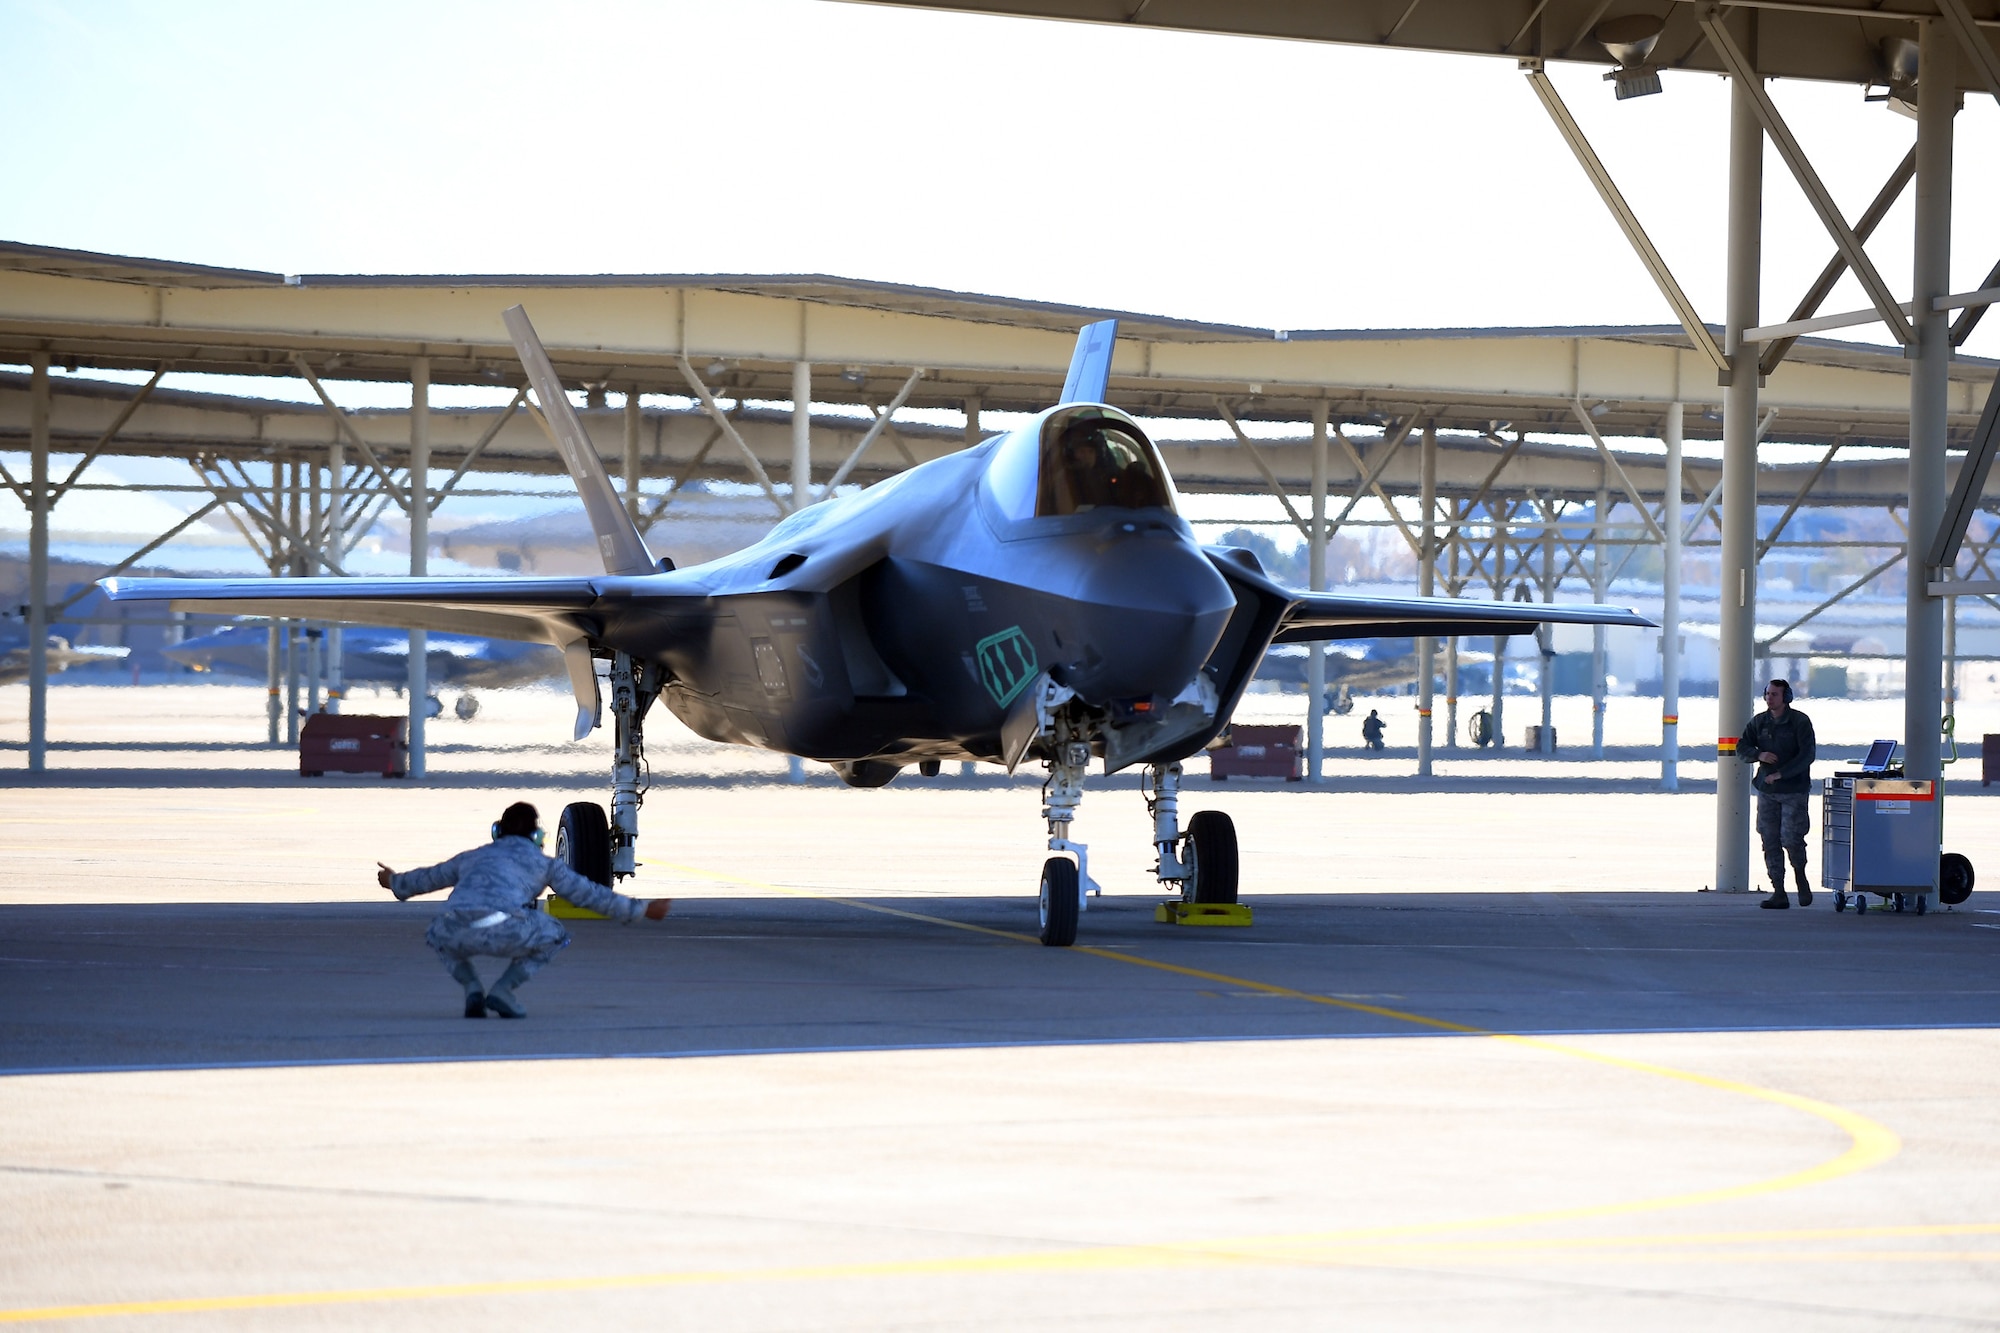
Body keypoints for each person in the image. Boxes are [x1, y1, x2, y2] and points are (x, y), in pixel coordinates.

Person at [375, 801, 670, 1018]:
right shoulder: (545, 864)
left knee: (436, 933)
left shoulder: (473, 857)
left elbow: (427, 878)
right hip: (506, 929)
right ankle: (504, 989)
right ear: (537, 837)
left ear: (497, 831)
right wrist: (641, 910)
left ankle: (472, 988)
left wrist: (393, 881)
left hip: (456, 928)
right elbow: (589, 895)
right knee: (555, 933)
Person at [1739, 679, 1818, 909]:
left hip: (1793, 790)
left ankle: (1801, 879)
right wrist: (1758, 755)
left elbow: (1807, 755)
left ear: (1787, 697)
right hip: (1768, 791)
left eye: (1774, 694)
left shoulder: (1799, 722)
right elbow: (1741, 747)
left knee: (1791, 838)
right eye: (1767, 694)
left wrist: (1782, 774)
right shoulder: (1759, 722)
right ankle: (1779, 891)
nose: (1769, 698)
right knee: (1769, 839)